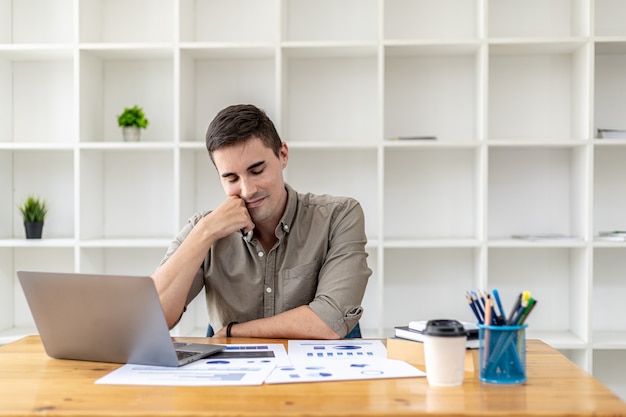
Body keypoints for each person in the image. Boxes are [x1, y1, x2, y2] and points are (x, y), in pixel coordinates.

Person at [152, 104, 371, 339]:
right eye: (231, 178)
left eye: (257, 171)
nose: (247, 190)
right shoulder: (204, 228)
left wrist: (232, 332)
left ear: (283, 155)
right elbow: (151, 319)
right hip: (236, 373)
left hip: (324, 372)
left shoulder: (340, 216)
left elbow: (329, 320)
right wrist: (205, 232)